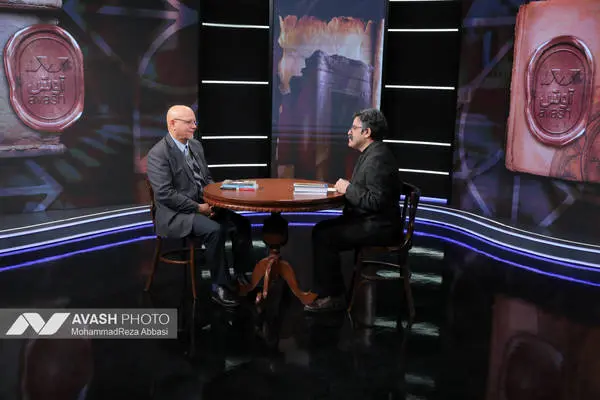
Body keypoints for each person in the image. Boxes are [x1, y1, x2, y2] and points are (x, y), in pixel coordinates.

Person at [146, 105, 254, 308]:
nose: (194, 126)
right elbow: (165, 195)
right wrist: (198, 208)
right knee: (214, 230)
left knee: (242, 225)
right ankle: (219, 286)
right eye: (189, 122)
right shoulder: (158, 154)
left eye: (194, 121)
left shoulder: (195, 146)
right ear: (172, 124)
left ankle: (241, 274)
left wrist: (216, 196)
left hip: (204, 205)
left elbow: (206, 179)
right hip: (175, 214)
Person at [305, 108, 402, 312]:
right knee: (322, 230)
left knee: (324, 235)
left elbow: (375, 201)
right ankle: (332, 292)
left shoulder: (378, 158)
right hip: (370, 220)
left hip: (379, 227)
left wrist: (348, 189)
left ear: (367, 132)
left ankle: (332, 297)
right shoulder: (371, 153)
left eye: (354, 128)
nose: (349, 132)